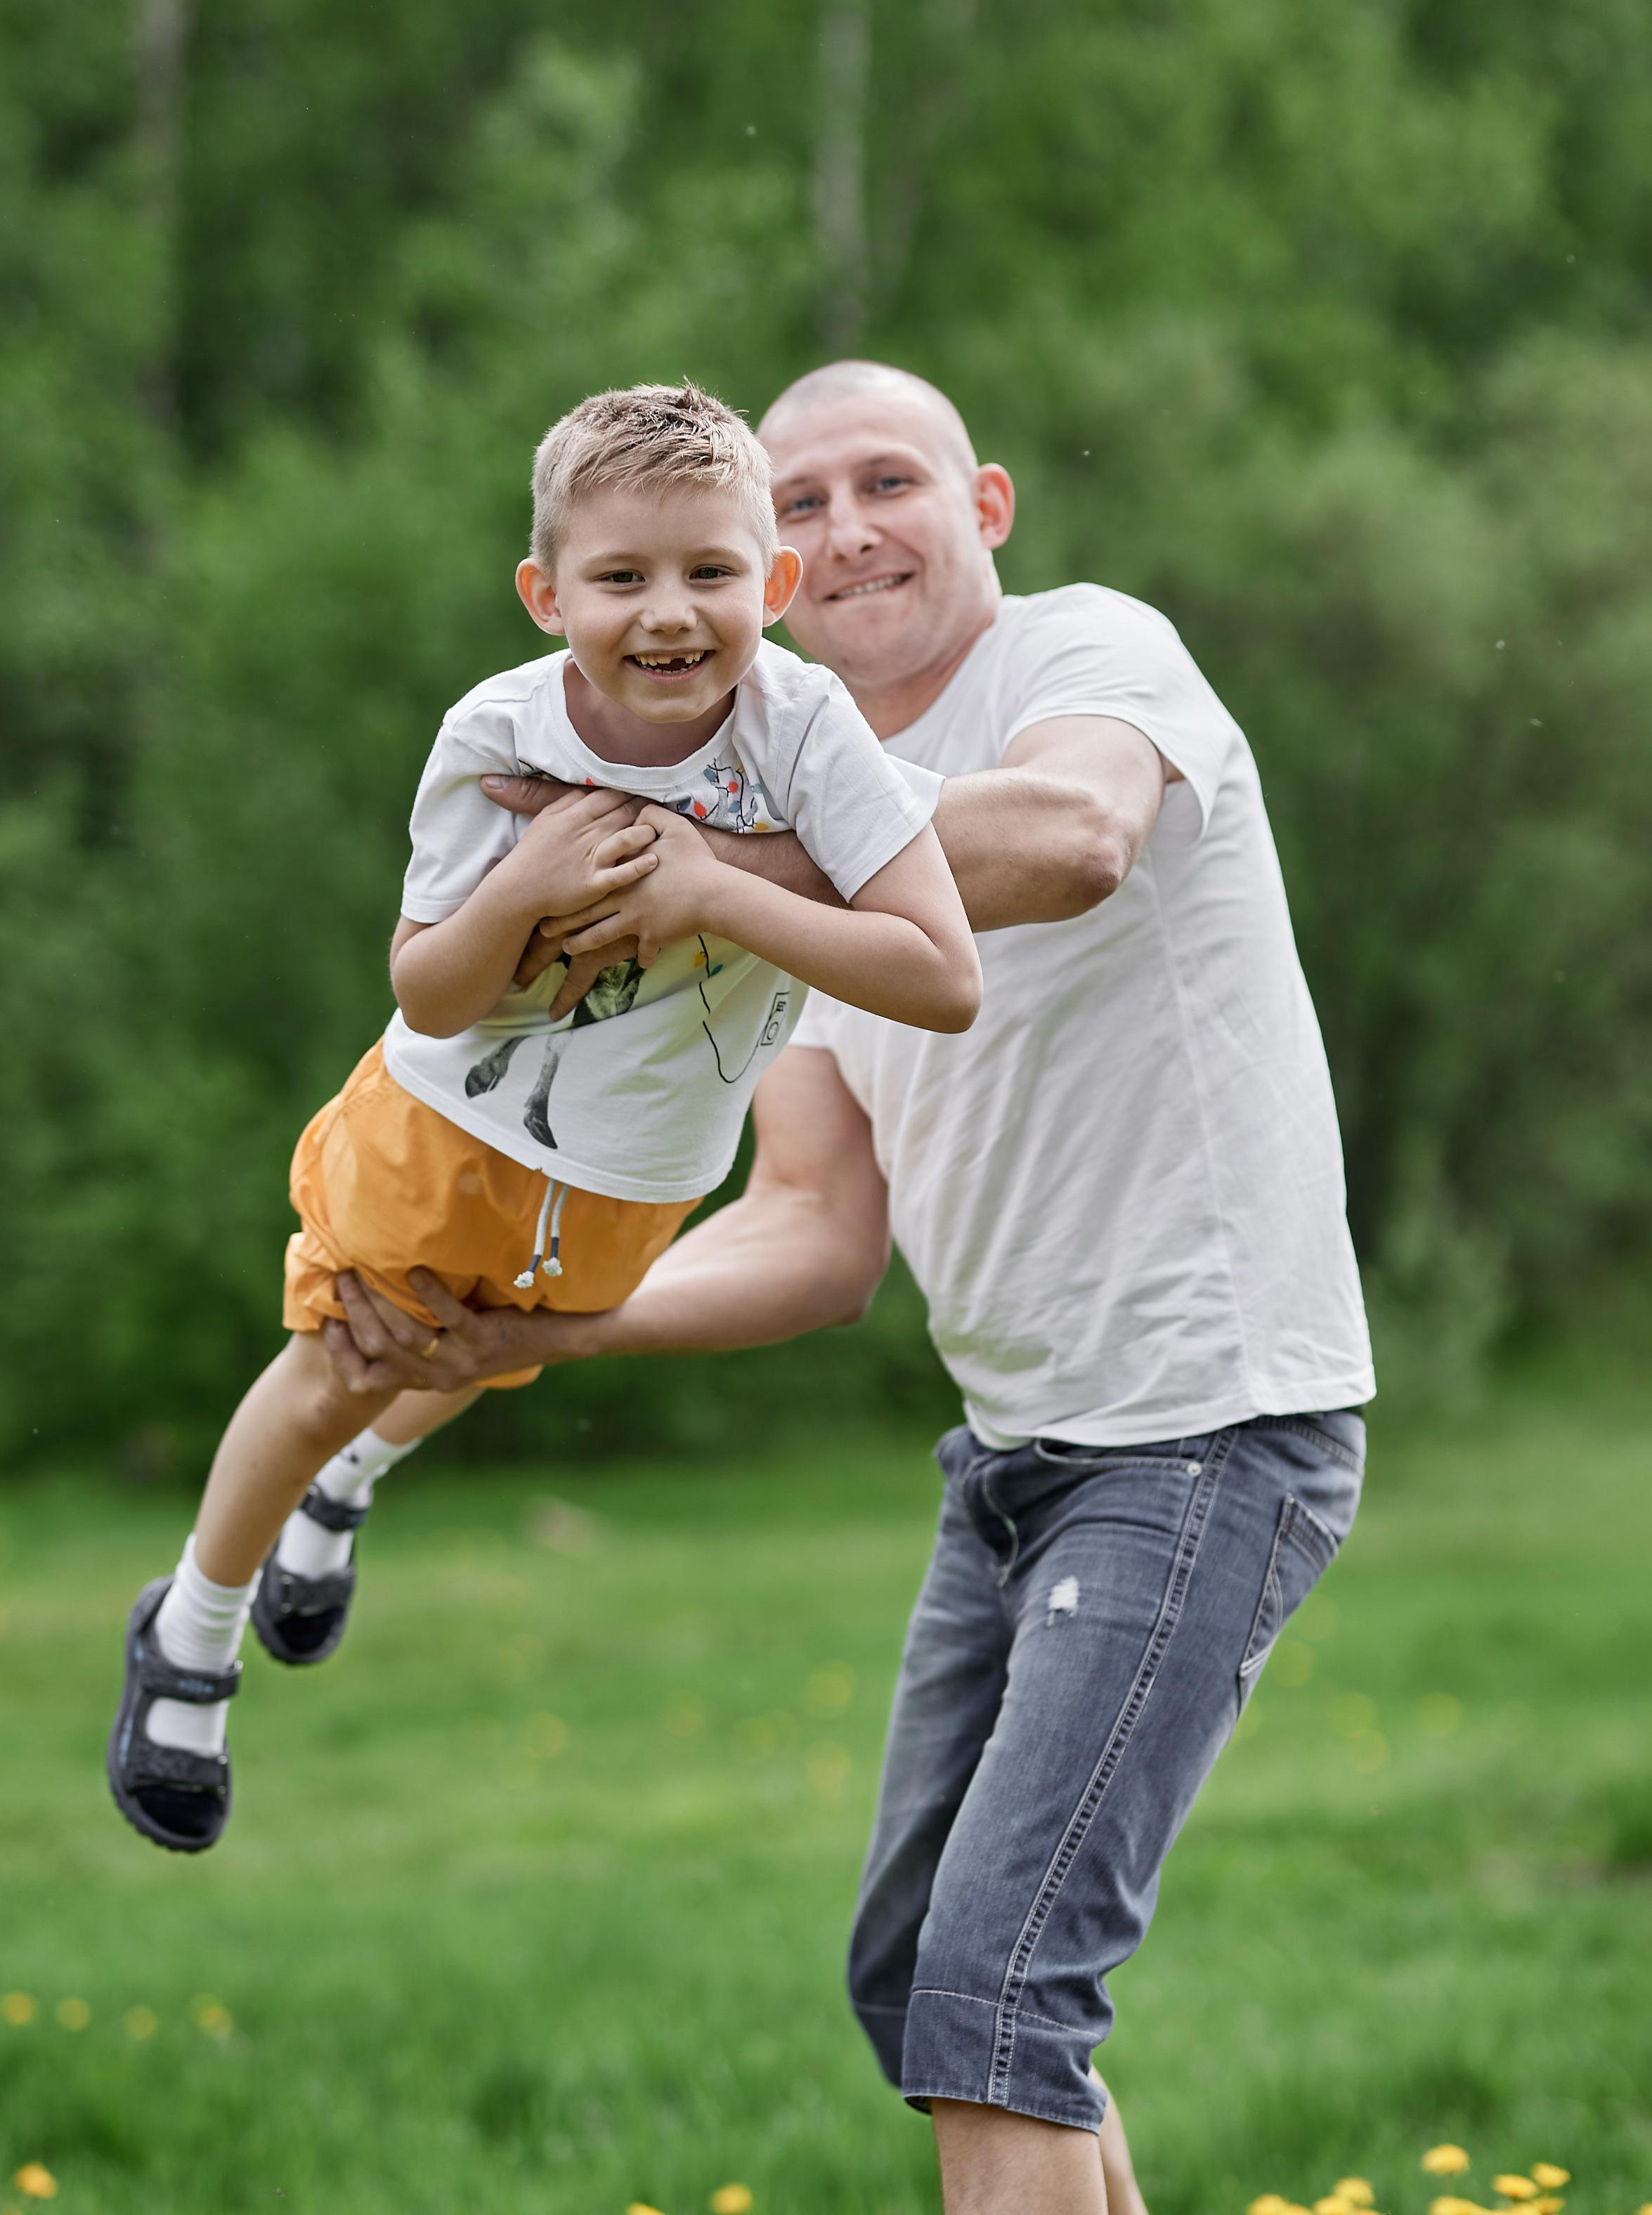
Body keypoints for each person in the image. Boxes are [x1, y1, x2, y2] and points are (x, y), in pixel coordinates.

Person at [323, 360, 1376, 2215]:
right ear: (767, 568)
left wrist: (704, 867)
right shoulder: (778, 793)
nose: (844, 525)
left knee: (998, 1994)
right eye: (797, 503)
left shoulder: (1086, 654)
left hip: (1210, 1424)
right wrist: (546, 1330)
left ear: (985, 504)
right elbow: (812, 1227)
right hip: (1021, 1453)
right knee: (920, 1984)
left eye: (885, 480)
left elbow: (1071, 841)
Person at [107, 379, 980, 1857]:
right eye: (621, 576)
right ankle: (192, 1628)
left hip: (643, 1172)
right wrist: (520, 887)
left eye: (710, 572)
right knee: (344, 1359)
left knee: (486, 1347)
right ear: (544, 591)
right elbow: (430, 990)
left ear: (770, 582)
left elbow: (943, 974)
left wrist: (713, 887)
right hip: (447, 1125)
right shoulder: (497, 731)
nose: (668, 614)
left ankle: (352, 1485)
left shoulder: (805, 723)